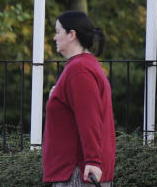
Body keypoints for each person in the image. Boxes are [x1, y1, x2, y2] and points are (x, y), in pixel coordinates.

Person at [43, 11, 116, 186]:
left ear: (72, 35)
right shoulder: (81, 67)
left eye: (58, 31)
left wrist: (93, 161)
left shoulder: (79, 70)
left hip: (78, 172)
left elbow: (89, 119)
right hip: (77, 170)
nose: (54, 37)